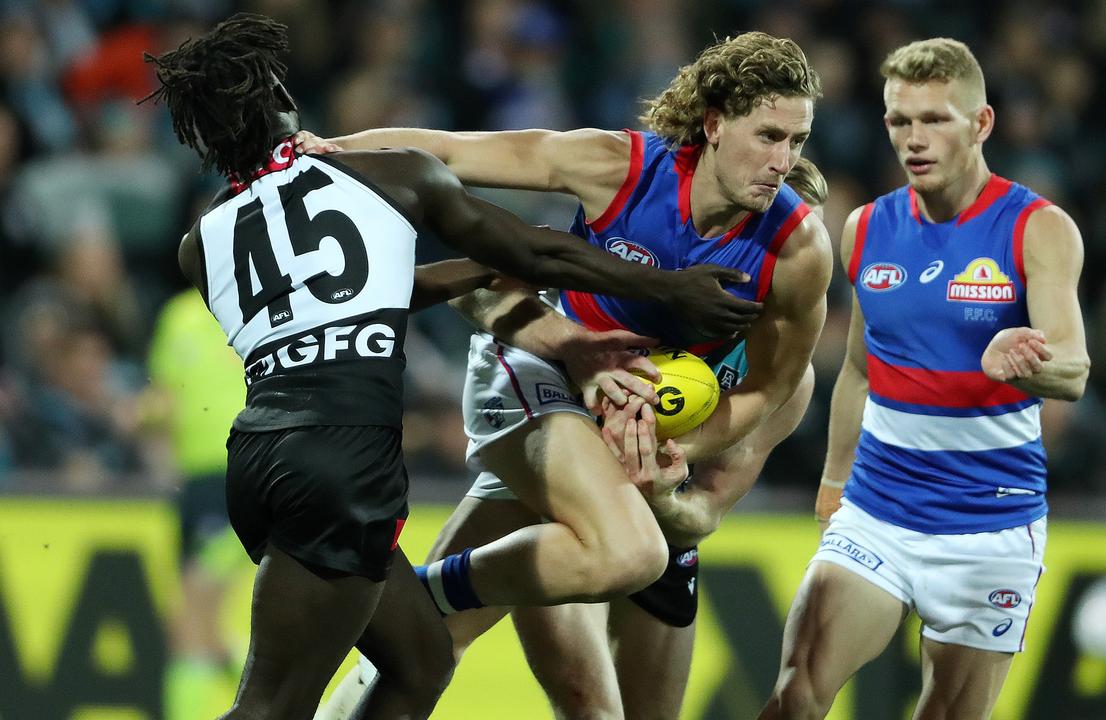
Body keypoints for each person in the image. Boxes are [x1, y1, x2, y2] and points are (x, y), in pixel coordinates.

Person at [143, 14, 761, 720]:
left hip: (257, 460)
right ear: (278, 100)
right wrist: (666, 288)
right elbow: (536, 253)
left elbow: (365, 298)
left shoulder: (202, 240)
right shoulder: (388, 174)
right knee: (272, 704)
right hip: (345, 454)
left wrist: (470, 273)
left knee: (421, 660)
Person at [303, 30, 830, 719]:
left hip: (632, 485)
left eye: (797, 143)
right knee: (617, 561)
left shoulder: (796, 256)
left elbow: (717, 486)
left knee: (462, 656)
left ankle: (409, 606)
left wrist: (671, 466)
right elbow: (455, 151)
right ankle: (420, 595)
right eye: (769, 137)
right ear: (715, 124)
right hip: (544, 371)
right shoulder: (621, 167)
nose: (781, 164)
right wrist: (328, 154)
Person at [759, 38, 1091, 720]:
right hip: (879, 512)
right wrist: (834, 481)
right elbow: (857, 367)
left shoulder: (1037, 228)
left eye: (935, 119)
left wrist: (1021, 362)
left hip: (989, 527)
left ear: (981, 124)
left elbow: (1075, 369)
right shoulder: (866, 227)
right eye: (899, 121)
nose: (914, 139)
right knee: (795, 695)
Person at [144, 287, 247, 720]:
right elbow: (162, 398)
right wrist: (161, 464)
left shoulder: (267, 306)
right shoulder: (179, 314)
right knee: (204, 628)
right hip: (195, 489)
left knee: (190, 616)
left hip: (243, 474)